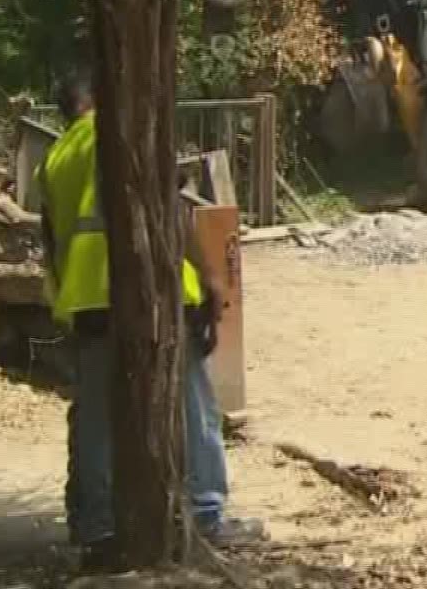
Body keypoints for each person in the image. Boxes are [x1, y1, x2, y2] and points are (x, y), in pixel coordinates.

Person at [37, 70, 264, 571]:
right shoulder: (127, 130)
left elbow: (51, 242)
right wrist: (211, 281)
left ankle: (96, 526)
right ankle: (206, 511)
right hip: (155, 292)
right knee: (193, 402)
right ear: (101, 96)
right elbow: (172, 212)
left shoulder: (54, 158)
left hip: (89, 300)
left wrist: (66, 303)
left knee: (95, 416)